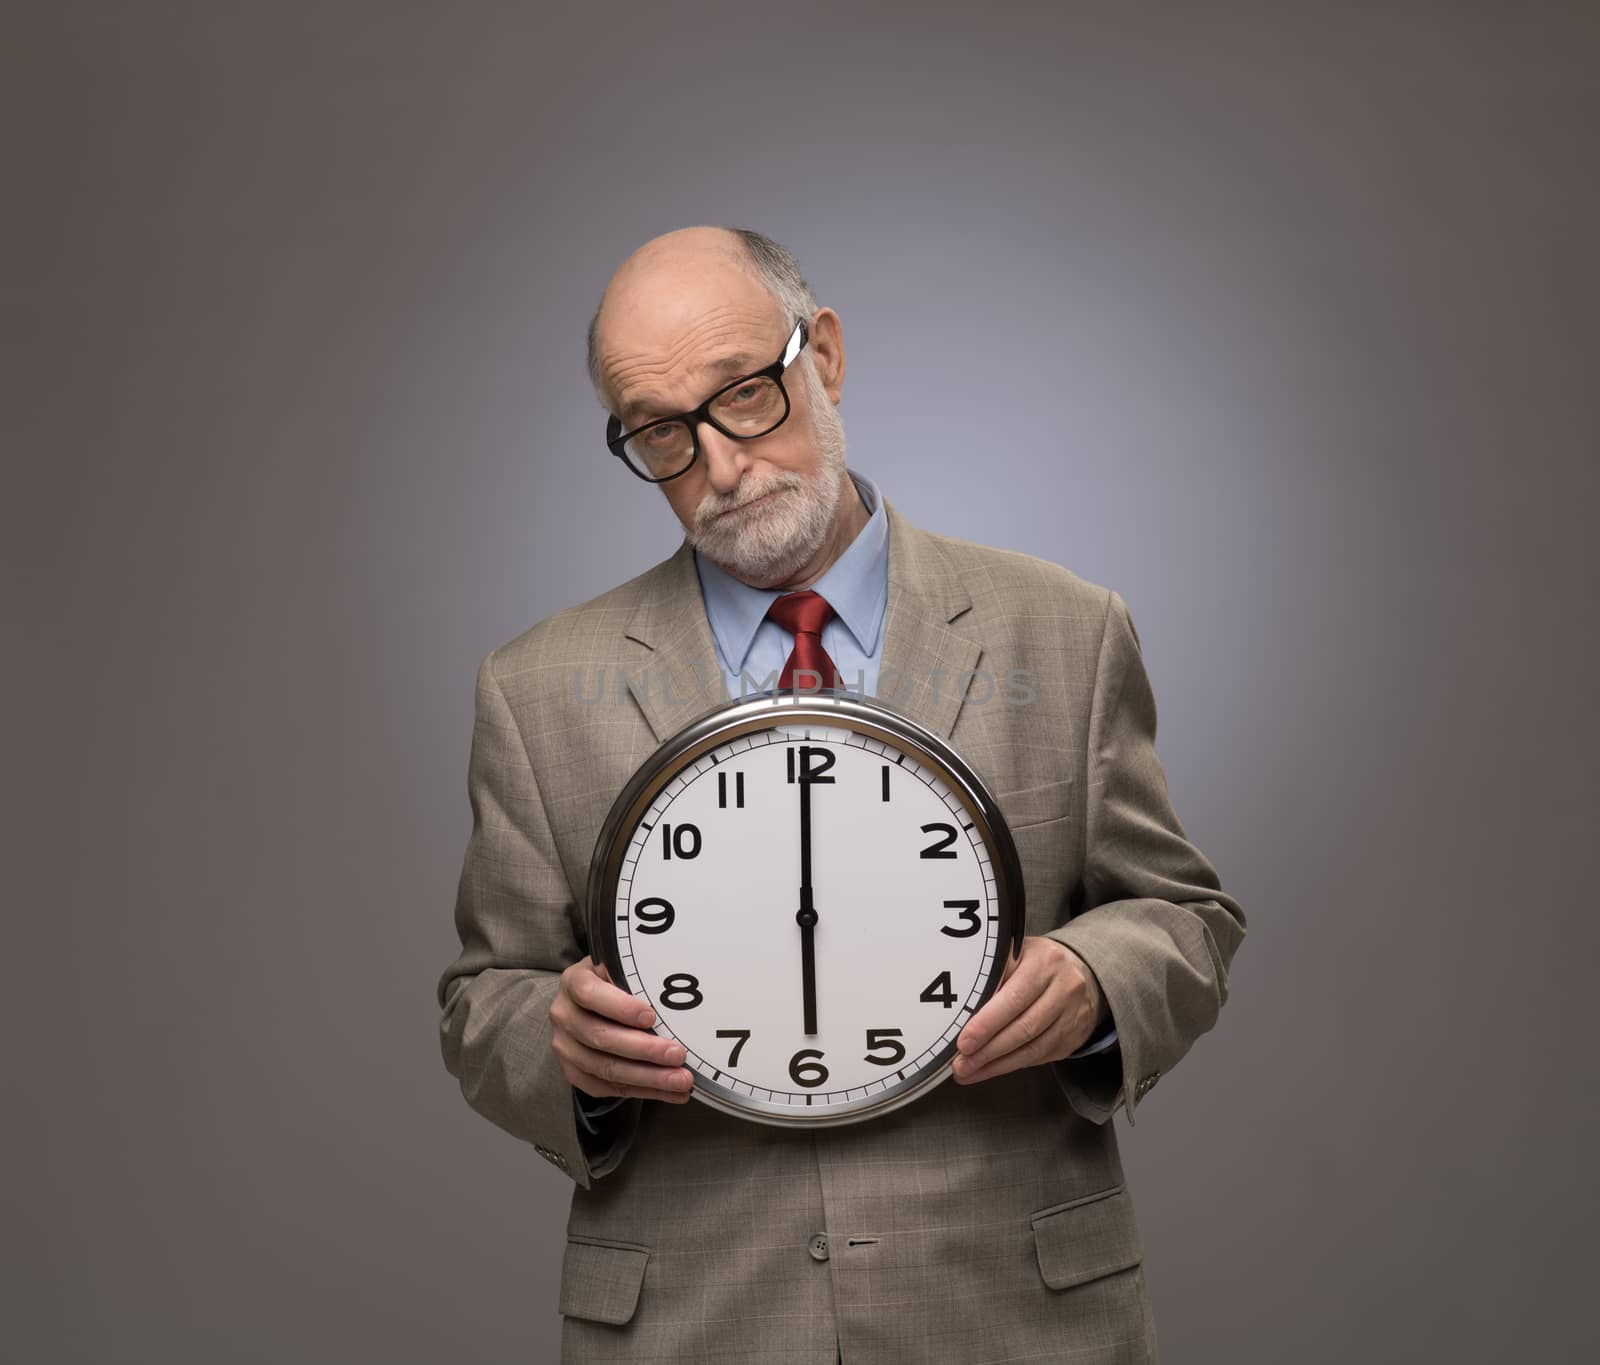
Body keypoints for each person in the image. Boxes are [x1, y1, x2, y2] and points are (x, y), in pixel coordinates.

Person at [436, 225, 1246, 1365]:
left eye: (744, 398)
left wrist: (1097, 977)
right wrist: (555, 1043)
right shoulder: (534, 690)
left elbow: (1185, 917)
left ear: (821, 355)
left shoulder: (1064, 630)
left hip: (1012, 1317)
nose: (720, 467)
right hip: (694, 1322)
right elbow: (486, 996)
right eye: (663, 434)